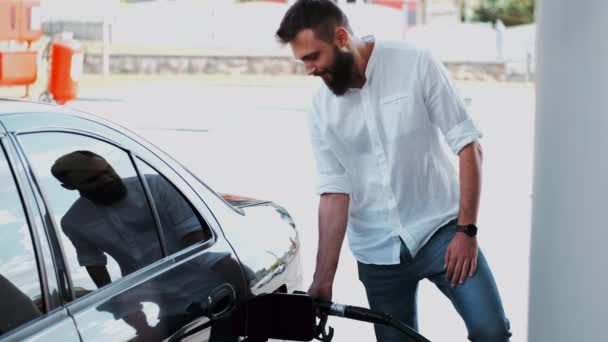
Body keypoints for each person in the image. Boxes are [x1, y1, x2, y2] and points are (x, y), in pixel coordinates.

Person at [275, 1, 511, 341]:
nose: (309, 69)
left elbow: (468, 144)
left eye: (313, 57)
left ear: (341, 37)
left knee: (491, 331)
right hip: (377, 251)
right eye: (303, 61)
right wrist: (323, 279)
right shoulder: (320, 109)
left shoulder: (415, 63)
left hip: (442, 233)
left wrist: (467, 231)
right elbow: (334, 191)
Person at [50, 150, 245, 340]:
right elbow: (95, 267)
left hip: (215, 282)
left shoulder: (154, 186)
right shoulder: (74, 221)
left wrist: (244, 295)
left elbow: (194, 236)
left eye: (108, 170)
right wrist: (128, 313)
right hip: (162, 301)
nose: (107, 179)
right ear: (69, 187)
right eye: (93, 179)